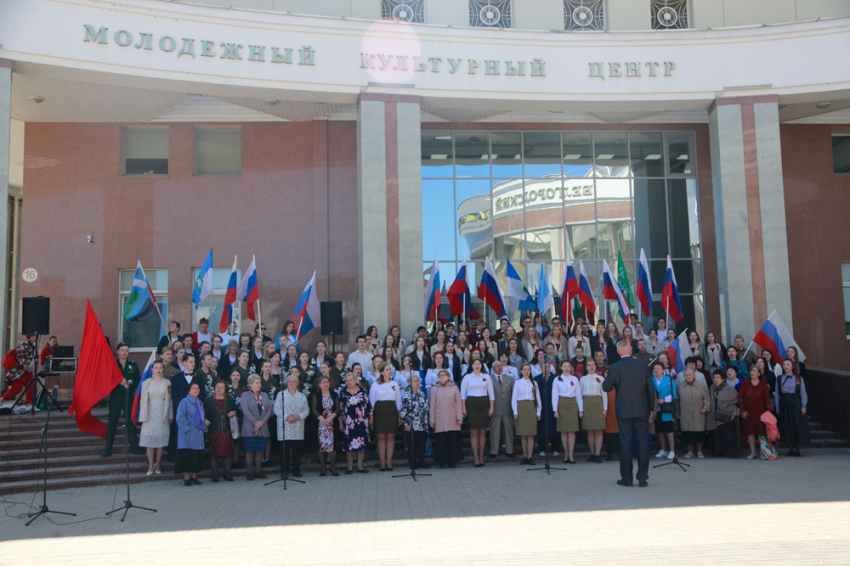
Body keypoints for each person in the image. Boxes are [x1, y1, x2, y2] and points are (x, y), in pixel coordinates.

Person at [602, 340, 656, 488]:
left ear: (618, 351)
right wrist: (651, 408)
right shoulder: (643, 366)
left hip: (624, 411)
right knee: (642, 443)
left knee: (625, 444)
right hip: (641, 410)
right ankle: (643, 477)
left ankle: (627, 477)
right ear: (631, 349)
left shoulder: (614, 368)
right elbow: (650, 388)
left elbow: (606, 387)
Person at [102, 342, 144, 457]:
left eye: (126, 350)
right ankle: (108, 448)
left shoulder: (132, 365)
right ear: (117, 351)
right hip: (116, 396)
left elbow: (138, 380)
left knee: (131, 421)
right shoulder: (112, 364)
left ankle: (134, 446)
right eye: (122, 350)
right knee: (112, 422)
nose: (124, 352)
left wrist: (129, 385)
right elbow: (107, 380)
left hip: (128, 396)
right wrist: (118, 383)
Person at [168, 353, 206, 468]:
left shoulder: (198, 377)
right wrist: (184, 406)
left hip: (196, 413)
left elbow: (202, 393)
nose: (193, 364)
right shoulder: (176, 378)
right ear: (184, 363)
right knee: (181, 440)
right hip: (182, 413)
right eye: (191, 362)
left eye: (194, 362)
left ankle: (195, 470)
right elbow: (174, 396)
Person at [138, 360, 172, 475]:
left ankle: (158, 464)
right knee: (150, 439)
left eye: (160, 368)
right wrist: (142, 415)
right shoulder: (146, 383)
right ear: (152, 369)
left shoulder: (167, 383)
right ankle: (150, 465)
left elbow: (170, 400)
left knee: (160, 440)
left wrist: (170, 414)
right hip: (150, 412)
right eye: (156, 367)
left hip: (162, 411)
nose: (158, 370)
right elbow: (143, 400)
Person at [460, 359, 495, 467]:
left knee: (483, 431)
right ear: (471, 365)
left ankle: (481, 457)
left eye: (479, 364)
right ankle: (476, 457)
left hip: (484, 403)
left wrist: (491, 408)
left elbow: (491, 394)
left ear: (481, 365)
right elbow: (462, 394)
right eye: (475, 364)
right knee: (474, 431)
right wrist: (463, 408)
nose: (477, 366)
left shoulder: (486, 376)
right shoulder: (467, 377)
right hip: (471, 403)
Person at [369, 362, 402, 471]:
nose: (389, 371)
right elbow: (372, 400)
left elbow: (398, 401)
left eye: (390, 369)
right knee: (381, 437)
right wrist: (372, 415)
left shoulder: (395, 384)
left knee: (391, 437)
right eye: (387, 369)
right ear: (382, 372)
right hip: (379, 411)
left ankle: (389, 462)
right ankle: (382, 463)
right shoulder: (375, 385)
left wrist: (399, 416)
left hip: (391, 411)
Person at [275, 374, 309, 477]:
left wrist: (298, 416)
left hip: (297, 426)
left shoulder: (302, 396)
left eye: (293, 381)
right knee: (285, 450)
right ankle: (284, 471)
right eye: (289, 381)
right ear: (286, 383)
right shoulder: (281, 394)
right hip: (285, 426)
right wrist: (287, 417)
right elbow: (276, 409)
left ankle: (296, 470)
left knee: (297, 450)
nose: (291, 383)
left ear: (297, 383)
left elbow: (306, 410)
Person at [240, 375, 272, 480]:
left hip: (262, 426)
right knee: (250, 450)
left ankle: (258, 471)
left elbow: (269, 410)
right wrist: (255, 422)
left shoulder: (264, 395)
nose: (259, 385)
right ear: (250, 384)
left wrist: (261, 422)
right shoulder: (245, 395)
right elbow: (245, 410)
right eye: (256, 383)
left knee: (260, 450)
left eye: (260, 383)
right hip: (250, 426)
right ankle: (250, 472)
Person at [429, 370, 463, 469]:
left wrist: (459, 417)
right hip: (440, 418)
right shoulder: (435, 389)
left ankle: (453, 461)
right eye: (440, 376)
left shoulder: (454, 388)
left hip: (452, 418)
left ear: (448, 377)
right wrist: (432, 419)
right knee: (441, 441)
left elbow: (458, 403)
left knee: (453, 440)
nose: (442, 377)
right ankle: (442, 461)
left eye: (444, 375)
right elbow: (432, 405)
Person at [775, 359, 809, 457]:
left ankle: (797, 448)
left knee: (797, 424)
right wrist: (777, 406)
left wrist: (804, 406)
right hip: (785, 403)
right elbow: (777, 394)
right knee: (786, 424)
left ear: (792, 366)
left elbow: (803, 393)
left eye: (788, 364)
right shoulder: (780, 378)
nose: (786, 367)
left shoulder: (798, 378)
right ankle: (790, 448)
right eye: (784, 365)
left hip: (796, 403)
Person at [338, 372, 371, 474]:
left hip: (361, 421)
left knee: (361, 443)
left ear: (356, 381)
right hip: (348, 422)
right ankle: (350, 467)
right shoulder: (343, 393)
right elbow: (341, 409)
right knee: (349, 445)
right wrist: (340, 422)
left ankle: (360, 466)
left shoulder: (362, 391)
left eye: (350, 380)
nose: (348, 382)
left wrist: (371, 417)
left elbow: (368, 405)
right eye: (347, 380)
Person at [204, 380, 236, 482]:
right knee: (214, 453)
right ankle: (215, 475)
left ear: (225, 389)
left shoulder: (230, 400)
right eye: (217, 386)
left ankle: (227, 473)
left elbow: (237, 410)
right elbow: (204, 413)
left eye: (221, 387)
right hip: (214, 430)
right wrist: (205, 419)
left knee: (228, 452)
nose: (219, 389)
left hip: (227, 430)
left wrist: (234, 412)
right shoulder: (208, 401)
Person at [175, 381, 206, 486]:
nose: (196, 390)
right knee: (187, 455)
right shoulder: (184, 401)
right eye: (194, 388)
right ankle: (187, 477)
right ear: (189, 390)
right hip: (188, 435)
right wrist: (186, 429)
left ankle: (194, 476)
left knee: (195, 456)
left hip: (197, 434)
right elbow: (180, 417)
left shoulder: (200, 402)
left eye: (197, 388)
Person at [553, 360, 583, 464]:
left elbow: (578, 395)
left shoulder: (575, 379)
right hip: (562, 404)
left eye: (568, 366)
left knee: (571, 431)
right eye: (564, 366)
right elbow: (555, 395)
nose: (566, 368)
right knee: (563, 431)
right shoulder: (557, 379)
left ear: (570, 368)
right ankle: (566, 454)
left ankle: (571, 454)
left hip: (572, 404)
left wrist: (581, 409)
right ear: (561, 367)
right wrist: (555, 410)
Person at [511, 363, 541, 464]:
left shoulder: (534, 383)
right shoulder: (517, 383)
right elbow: (514, 398)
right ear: (521, 371)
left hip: (531, 407)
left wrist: (538, 412)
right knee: (523, 434)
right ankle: (525, 456)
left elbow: (538, 398)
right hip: (521, 407)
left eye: (528, 369)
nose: (526, 371)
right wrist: (515, 411)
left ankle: (530, 456)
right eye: (524, 369)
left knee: (531, 434)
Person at [740, 366, 772, 459]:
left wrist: (768, 412)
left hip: (760, 412)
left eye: (754, 371)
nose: (752, 372)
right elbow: (741, 397)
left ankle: (763, 452)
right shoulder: (745, 382)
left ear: (758, 373)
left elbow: (767, 400)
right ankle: (753, 452)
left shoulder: (763, 385)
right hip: (748, 412)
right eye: (751, 370)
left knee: (762, 432)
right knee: (750, 432)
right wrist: (742, 410)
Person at [677, 368, 710, 459]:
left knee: (699, 433)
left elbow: (707, 399)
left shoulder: (701, 386)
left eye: (689, 375)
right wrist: (677, 412)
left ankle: (699, 451)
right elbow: (677, 400)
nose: (688, 377)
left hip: (698, 413)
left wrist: (705, 408)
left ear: (694, 375)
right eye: (686, 375)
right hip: (685, 413)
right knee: (688, 433)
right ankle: (690, 451)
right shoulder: (680, 386)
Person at [311, 375, 340, 476]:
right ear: (319, 384)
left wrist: (330, 418)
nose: (325, 384)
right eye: (323, 382)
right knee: (321, 445)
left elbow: (337, 408)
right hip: (321, 423)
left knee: (333, 445)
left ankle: (333, 467)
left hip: (332, 422)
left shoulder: (334, 394)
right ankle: (323, 467)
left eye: (327, 382)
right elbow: (314, 409)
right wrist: (323, 419)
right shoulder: (316, 395)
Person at [580, 360, 607, 463]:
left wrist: (605, 408)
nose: (591, 367)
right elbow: (580, 394)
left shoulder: (600, 378)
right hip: (587, 403)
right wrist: (581, 409)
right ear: (586, 367)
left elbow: (604, 394)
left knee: (599, 430)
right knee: (590, 430)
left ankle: (598, 454)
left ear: (595, 367)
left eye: (593, 365)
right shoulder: (582, 379)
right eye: (589, 365)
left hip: (597, 403)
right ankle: (592, 453)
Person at [708, 369, 740, 458]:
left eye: (717, 377)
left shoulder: (730, 389)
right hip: (714, 416)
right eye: (714, 377)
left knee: (727, 434)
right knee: (716, 434)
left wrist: (725, 410)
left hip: (726, 416)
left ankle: (729, 452)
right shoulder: (712, 388)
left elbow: (733, 401)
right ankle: (717, 451)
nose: (715, 379)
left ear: (723, 379)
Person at [400, 374, 429, 470]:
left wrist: (426, 423)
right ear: (410, 383)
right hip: (412, 424)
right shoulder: (406, 395)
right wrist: (406, 424)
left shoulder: (422, 394)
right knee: (412, 445)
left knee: (421, 444)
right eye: (415, 381)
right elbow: (403, 411)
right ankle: (412, 463)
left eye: (418, 381)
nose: (418, 383)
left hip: (422, 423)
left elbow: (425, 409)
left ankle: (422, 461)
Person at [650, 361, 678, 460]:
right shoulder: (651, 380)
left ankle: (672, 450)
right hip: (656, 408)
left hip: (666, 407)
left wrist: (664, 399)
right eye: (655, 368)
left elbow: (674, 394)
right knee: (659, 430)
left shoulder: (668, 380)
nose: (656, 370)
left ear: (663, 370)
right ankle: (663, 449)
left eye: (658, 368)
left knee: (669, 430)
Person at [488, 361, 515, 459]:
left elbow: (513, 393)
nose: (499, 367)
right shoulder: (488, 379)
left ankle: (510, 450)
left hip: (507, 408)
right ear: (492, 368)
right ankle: (493, 451)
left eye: (500, 366)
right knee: (494, 431)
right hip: (495, 408)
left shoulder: (509, 378)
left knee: (509, 430)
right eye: (497, 366)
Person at [1, 334, 37, 406]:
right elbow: (20, 353)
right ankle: (2, 399)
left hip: (27, 370)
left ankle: (30, 404)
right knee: (17, 388)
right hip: (21, 370)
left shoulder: (32, 346)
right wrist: (24, 364)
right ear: (31, 336)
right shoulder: (24, 343)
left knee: (31, 387)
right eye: (35, 336)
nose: (36, 338)